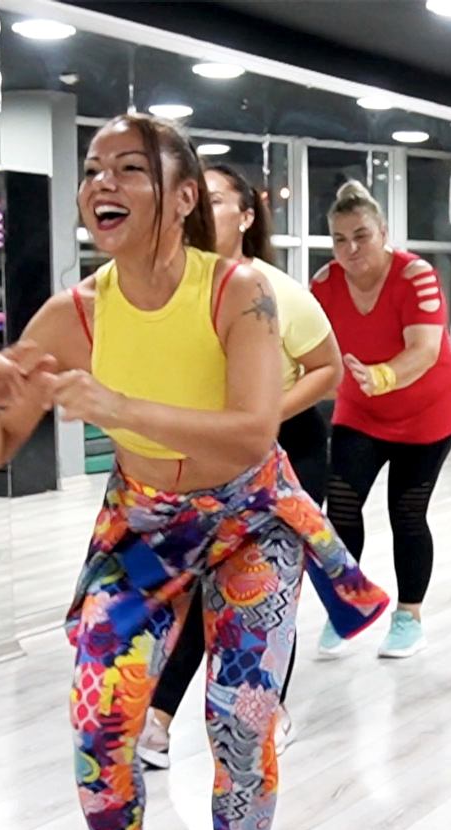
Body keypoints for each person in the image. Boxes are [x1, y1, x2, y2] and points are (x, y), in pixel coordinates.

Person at [0, 114, 387, 830]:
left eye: (128, 169)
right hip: (145, 524)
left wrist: (117, 408)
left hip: (251, 518)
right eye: (92, 170)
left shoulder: (238, 291)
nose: (101, 185)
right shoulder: (75, 313)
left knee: (240, 715)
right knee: (99, 715)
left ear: (184, 197)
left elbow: (251, 431)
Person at [139, 162, 343, 769]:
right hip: (204, 455)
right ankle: (159, 718)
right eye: (192, 199)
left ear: (247, 217)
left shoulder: (278, 291)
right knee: (193, 585)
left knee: (261, 588)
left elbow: (327, 369)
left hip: (285, 449)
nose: (199, 211)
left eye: (216, 200)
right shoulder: (169, 291)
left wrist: (263, 415)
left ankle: (262, 713)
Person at [311, 180, 451, 659]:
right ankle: (349, 605)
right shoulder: (324, 284)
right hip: (361, 409)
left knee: (406, 512)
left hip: (428, 413)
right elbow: (309, 347)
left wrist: (380, 376)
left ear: (382, 232)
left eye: (361, 236)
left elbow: (425, 350)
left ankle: (408, 618)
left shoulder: (416, 276)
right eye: (340, 239)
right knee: (340, 509)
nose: (351, 248)